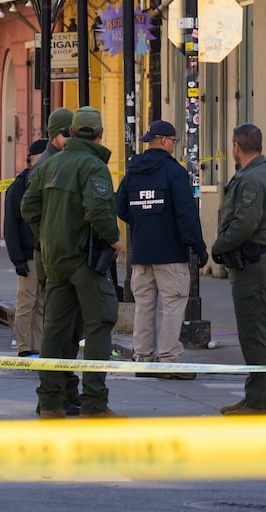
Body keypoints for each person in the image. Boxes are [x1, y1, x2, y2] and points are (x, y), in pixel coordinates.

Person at [21, 106, 122, 420]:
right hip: (84, 259)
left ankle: (50, 402)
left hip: (54, 261)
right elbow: (97, 210)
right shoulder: (93, 166)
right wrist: (114, 239)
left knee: (54, 329)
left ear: (73, 132)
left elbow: (29, 207)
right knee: (99, 325)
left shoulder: (49, 165)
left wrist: (47, 236)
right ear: (100, 134)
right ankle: (94, 402)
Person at [115, 118, 206, 377]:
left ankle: (142, 357)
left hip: (141, 253)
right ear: (165, 142)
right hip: (170, 254)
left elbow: (119, 206)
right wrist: (198, 247)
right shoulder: (174, 172)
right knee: (174, 304)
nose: (175, 146)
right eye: (174, 142)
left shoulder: (133, 171)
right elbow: (186, 214)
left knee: (144, 305)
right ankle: (169, 359)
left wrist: (141, 221)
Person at [211, 122, 266, 415]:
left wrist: (218, 246)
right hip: (251, 263)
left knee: (254, 334)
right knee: (251, 332)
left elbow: (244, 224)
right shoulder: (254, 175)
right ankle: (253, 396)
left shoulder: (252, 179)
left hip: (252, 264)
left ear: (236, 147)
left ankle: (259, 402)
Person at [4, 138, 48, 357]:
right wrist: (17, 259)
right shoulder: (19, 186)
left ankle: (38, 347)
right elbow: (10, 224)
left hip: (43, 254)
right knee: (27, 302)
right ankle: (24, 347)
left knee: (41, 303)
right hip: (28, 255)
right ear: (31, 159)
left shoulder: (45, 180)